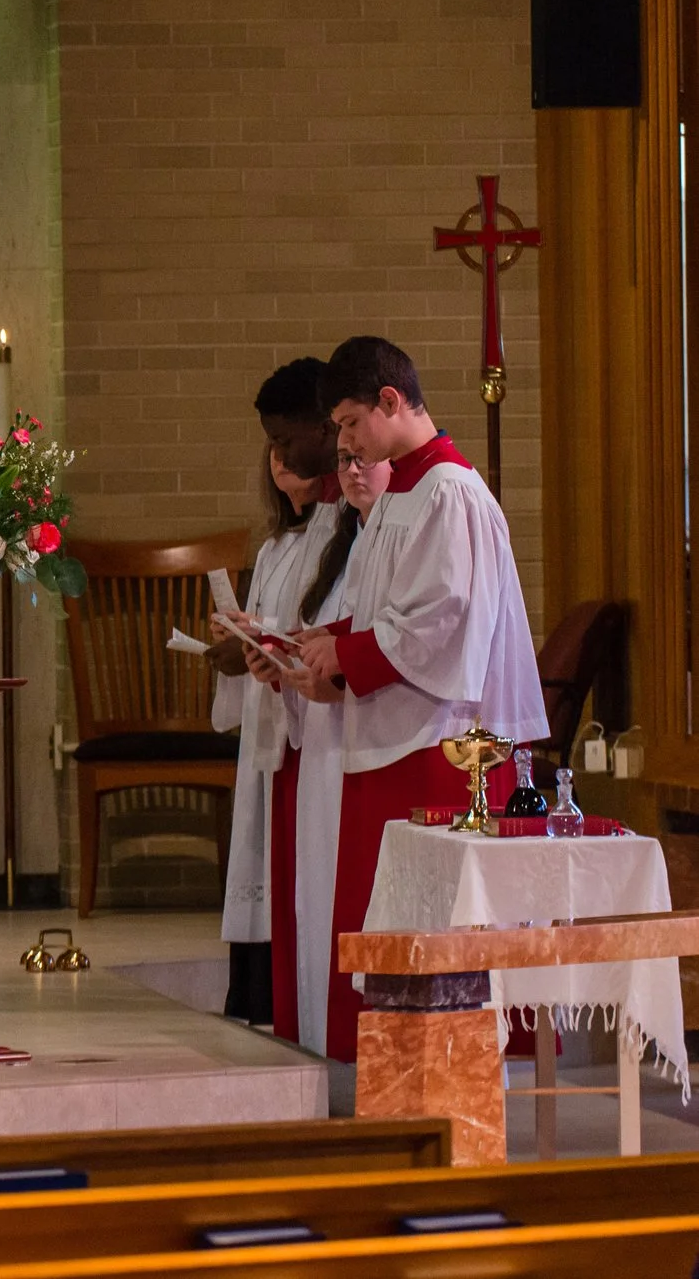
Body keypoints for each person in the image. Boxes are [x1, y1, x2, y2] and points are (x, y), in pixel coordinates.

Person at [265, 336, 543, 1059]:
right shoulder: (406, 493)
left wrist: (345, 655)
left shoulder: (448, 491)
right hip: (393, 730)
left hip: (439, 741)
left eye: (352, 423)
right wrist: (314, 644)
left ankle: (450, 1074)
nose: (346, 442)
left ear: (392, 402)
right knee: (385, 918)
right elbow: (377, 606)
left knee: (430, 925)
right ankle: (396, 1075)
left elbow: (442, 621)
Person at [203, 358, 344, 1030]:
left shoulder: (347, 526)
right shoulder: (281, 545)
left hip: (317, 726)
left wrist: (267, 646)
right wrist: (245, 643)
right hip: (281, 720)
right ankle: (265, 1000)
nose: (278, 455)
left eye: (285, 440)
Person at [269, 442, 389, 1057]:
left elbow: (392, 644)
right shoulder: (350, 547)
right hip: (322, 750)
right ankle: (320, 1040)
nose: (351, 473)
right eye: (342, 461)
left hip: (360, 749)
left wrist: (332, 677)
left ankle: (343, 1050)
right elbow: (336, 638)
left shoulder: (394, 539)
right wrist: (287, 662)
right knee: (317, 903)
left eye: (361, 456)